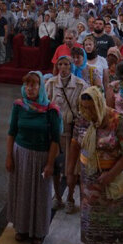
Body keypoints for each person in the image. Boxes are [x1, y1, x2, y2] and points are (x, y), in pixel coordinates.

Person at [67, 87, 123, 244]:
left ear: (99, 103)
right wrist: (70, 171)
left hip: (112, 177)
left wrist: (110, 175)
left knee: (112, 215)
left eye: (91, 107)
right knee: (90, 214)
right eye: (84, 107)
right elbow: (75, 143)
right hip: (89, 178)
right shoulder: (83, 119)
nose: (88, 111)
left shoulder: (118, 120)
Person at [6, 72, 61, 244]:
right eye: (27, 85)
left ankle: (38, 231)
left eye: (34, 85)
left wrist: (50, 163)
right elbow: (12, 132)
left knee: (40, 194)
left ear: (41, 87)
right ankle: (21, 227)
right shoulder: (19, 106)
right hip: (20, 154)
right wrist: (9, 156)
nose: (30, 88)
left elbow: (55, 139)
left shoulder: (51, 110)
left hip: (41, 156)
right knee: (22, 191)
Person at [46, 56, 88, 213]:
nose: (63, 67)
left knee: (72, 168)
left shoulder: (80, 84)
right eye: (60, 64)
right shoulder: (50, 83)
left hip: (72, 130)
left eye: (66, 64)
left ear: (71, 66)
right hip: (55, 130)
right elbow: (45, 103)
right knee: (55, 165)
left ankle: (70, 197)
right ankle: (57, 196)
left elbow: (84, 108)